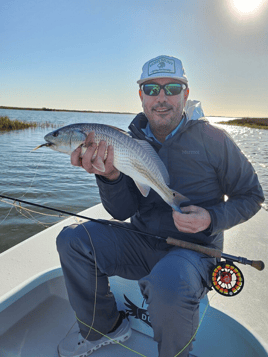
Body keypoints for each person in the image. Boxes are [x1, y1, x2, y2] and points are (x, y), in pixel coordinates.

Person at [56, 55, 264, 357]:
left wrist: (210, 218)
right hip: (141, 241)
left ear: (186, 94)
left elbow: (252, 194)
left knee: (170, 282)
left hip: (194, 253)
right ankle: (103, 327)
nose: (162, 97)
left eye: (172, 88)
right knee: (73, 240)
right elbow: (120, 212)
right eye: (152, 89)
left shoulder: (214, 140)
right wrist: (110, 177)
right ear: (141, 96)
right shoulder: (127, 141)